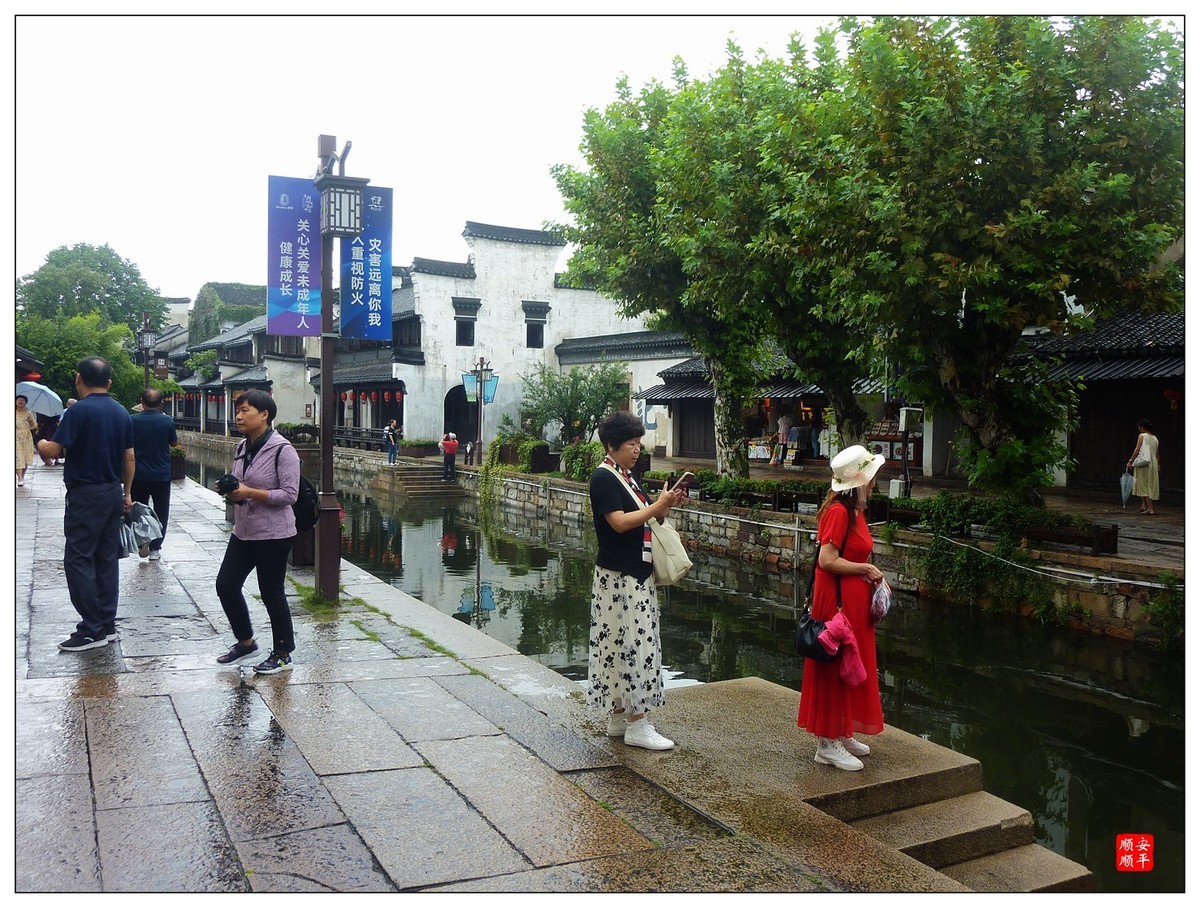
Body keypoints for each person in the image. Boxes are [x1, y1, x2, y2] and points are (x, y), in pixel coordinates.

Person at [587, 411, 687, 751]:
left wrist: (664, 506)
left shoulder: (625, 476)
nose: (637, 449)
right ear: (611, 445)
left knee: (620, 643)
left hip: (629, 572)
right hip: (622, 577)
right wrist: (656, 506)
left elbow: (643, 519)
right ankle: (638, 723)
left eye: (638, 443)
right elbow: (618, 522)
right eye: (631, 443)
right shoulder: (604, 478)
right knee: (633, 644)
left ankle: (619, 716)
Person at [797, 444, 887, 771]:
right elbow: (827, 559)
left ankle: (842, 730)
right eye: (872, 476)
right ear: (859, 481)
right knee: (835, 665)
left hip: (852, 600)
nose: (875, 482)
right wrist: (866, 569)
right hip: (837, 602)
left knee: (851, 663)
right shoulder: (839, 511)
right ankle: (826, 743)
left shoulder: (854, 510)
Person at [35, 357, 135, 651]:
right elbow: (129, 457)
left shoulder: (77, 412)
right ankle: (106, 623)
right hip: (112, 491)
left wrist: (40, 442)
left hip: (85, 494)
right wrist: (127, 493)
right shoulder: (121, 412)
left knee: (78, 559)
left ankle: (91, 629)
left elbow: (53, 451)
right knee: (106, 558)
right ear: (109, 382)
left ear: (79, 378)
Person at [213, 390, 301, 674]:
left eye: (245, 410)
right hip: (244, 530)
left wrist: (248, 491)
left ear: (264, 415)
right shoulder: (242, 446)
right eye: (237, 411)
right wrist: (231, 490)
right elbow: (241, 486)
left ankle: (283, 653)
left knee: (271, 592)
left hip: (274, 534)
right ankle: (246, 643)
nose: (238, 416)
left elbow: (290, 495)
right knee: (226, 585)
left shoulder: (283, 450)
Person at [130, 388, 178, 561]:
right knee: (161, 511)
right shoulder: (167, 421)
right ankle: (155, 548)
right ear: (160, 403)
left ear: (142, 402)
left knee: (140, 510)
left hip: (138, 474)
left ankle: (142, 541)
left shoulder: (132, 420)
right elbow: (174, 443)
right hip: (161, 474)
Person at [1126, 419, 1161, 515]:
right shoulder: (1155, 438)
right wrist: (1158, 465)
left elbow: (1137, 449)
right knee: (1147, 483)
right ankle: (1144, 505)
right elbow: (1157, 454)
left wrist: (1131, 461)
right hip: (1153, 462)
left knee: (1143, 484)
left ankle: (1150, 508)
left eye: (1139, 427)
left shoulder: (1142, 436)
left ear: (1142, 427)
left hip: (1144, 462)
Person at [15, 394, 37, 486]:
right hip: (16, 437)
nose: (20, 401)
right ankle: (19, 478)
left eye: (23, 400)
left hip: (27, 438)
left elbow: (34, 426)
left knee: (26, 458)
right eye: (19, 400)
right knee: (18, 457)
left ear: (26, 402)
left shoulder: (29, 413)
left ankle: (22, 477)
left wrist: (30, 419)